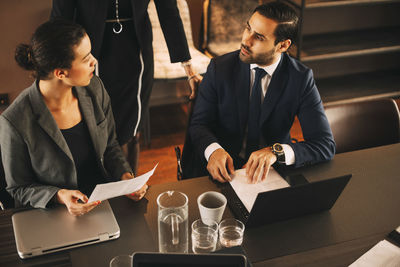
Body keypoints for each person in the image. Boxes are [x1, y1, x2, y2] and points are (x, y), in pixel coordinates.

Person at [0, 19, 147, 216]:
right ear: (61, 73)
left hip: (102, 206)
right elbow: (18, 188)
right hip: (55, 214)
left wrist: (125, 177)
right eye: (86, 59)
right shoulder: (15, 121)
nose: (94, 61)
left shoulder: (95, 88)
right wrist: (60, 196)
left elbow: (110, 146)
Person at [188, 2, 335, 183]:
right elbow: (198, 124)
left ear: (282, 45)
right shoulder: (220, 68)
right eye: (248, 28)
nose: (246, 41)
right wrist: (213, 150)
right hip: (224, 171)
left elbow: (324, 145)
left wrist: (277, 152)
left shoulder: (301, 79)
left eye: (258, 37)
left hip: (271, 174)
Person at [51, 0, 202, 174]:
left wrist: (189, 69)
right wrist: (53, 73)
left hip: (137, 53)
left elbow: (168, 11)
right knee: (95, 125)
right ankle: (99, 188)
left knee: (131, 127)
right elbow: (60, 19)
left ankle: (129, 185)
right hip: (89, 53)